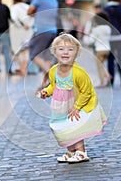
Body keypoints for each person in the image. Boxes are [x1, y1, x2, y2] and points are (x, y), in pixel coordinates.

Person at [36, 33, 107, 163]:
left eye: (70, 49)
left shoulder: (79, 72)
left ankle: (81, 152)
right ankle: (71, 152)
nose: (66, 52)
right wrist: (46, 92)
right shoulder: (53, 70)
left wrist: (77, 107)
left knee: (75, 127)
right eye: (61, 49)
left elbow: (86, 91)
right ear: (54, 52)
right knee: (64, 127)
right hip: (60, 105)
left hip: (76, 104)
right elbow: (54, 85)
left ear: (76, 53)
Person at [27, 0, 58, 73]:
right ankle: (46, 84)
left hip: (42, 30)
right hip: (53, 31)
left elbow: (29, 11)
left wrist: (36, 13)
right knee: (47, 57)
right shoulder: (54, 0)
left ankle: (51, 74)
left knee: (33, 54)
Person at [84, 12, 111, 87]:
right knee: (102, 64)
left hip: (99, 49)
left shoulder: (96, 29)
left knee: (99, 66)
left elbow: (91, 40)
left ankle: (102, 82)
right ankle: (107, 75)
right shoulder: (108, 28)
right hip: (107, 49)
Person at [10, 0, 34, 76]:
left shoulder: (14, 8)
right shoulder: (27, 6)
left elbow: (13, 18)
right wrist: (29, 25)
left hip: (18, 32)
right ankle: (25, 69)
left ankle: (22, 70)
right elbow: (32, 16)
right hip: (28, 32)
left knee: (20, 51)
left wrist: (21, 25)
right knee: (26, 51)